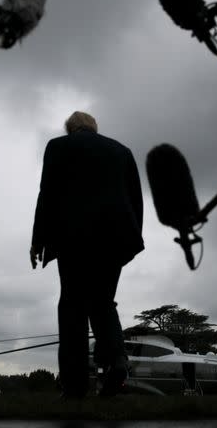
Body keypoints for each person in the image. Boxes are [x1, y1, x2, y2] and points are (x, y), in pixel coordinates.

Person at [30, 111, 144, 398]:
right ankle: (118, 361)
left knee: (72, 307)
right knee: (104, 303)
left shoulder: (58, 146)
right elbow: (135, 200)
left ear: (70, 129)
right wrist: (131, 240)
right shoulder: (123, 151)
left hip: (74, 236)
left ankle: (75, 386)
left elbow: (48, 194)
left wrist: (38, 240)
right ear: (95, 128)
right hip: (116, 238)